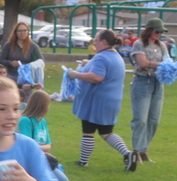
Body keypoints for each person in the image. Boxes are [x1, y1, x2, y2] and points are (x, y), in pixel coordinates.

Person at [66, 29, 138, 172]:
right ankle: (128, 154)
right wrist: (88, 62)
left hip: (96, 101)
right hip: (112, 100)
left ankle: (83, 162)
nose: (94, 43)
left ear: (104, 42)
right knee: (106, 132)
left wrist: (75, 75)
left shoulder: (101, 57)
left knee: (88, 131)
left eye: (96, 40)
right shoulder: (115, 56)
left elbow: (97, 77)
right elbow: (103, 67)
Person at [129, 18, 171, 163]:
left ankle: (144, 149)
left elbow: (168, 62)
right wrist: (159, 64)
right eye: (157, 31)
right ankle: (137, 151)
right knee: (140, 119)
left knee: (154, 120)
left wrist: (153, 64)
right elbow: (142, 63)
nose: (159, 34)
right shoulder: (139, 44)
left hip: (158, 83)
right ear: (149, 30)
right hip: (142, 83)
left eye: (161, 31)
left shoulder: (161, 46)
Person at [18, 90, 71, 181]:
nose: (48, 107)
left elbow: (48, 146)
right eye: (48, 104)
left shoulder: (42, 121)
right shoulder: (25, 120)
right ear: (41, 105)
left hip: (43, 158)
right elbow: (27, 147)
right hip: (31, 160)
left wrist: (39, 148)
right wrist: (41, 148)